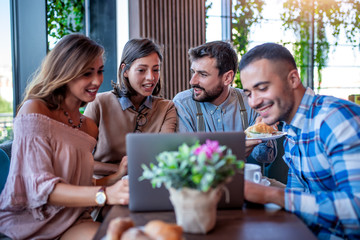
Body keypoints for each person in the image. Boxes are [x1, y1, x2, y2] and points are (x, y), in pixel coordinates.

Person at [0, 34, 129, 240]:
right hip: (34, 223)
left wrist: (116, 176)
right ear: (66, 72)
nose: (97, 81)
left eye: (100, 71)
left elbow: (78, 184)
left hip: (74, 217)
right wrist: (105, 194)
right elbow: (40, 189)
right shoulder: (35, 110)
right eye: (87, 73)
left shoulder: (88, 126)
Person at [239, 42, 360, 239]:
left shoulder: (335, 119)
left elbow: (356, 210)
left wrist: (270, 195)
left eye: (262, 88)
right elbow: (299, 200)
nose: (253, 102)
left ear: (293, 79)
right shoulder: (291, 130)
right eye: (249, 93)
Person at [84, 38, 177, 177]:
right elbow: (82, 161)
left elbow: (164, 159)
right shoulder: (99, 103)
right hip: (105, 187)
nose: (151, 77)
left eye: (156, 70)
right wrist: (121, 170)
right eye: (141, 70)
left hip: (149, 184)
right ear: (125, 70)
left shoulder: (167, 108)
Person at [173, 41, 277, 163]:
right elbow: (185, 160)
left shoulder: (251, 101)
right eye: (193, 72)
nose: (192, 81)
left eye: (203, 74)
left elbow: (266, 158)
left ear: (227, 78)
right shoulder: (183, 104)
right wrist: (234, 151)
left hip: (248, 180)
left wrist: (264, 133)